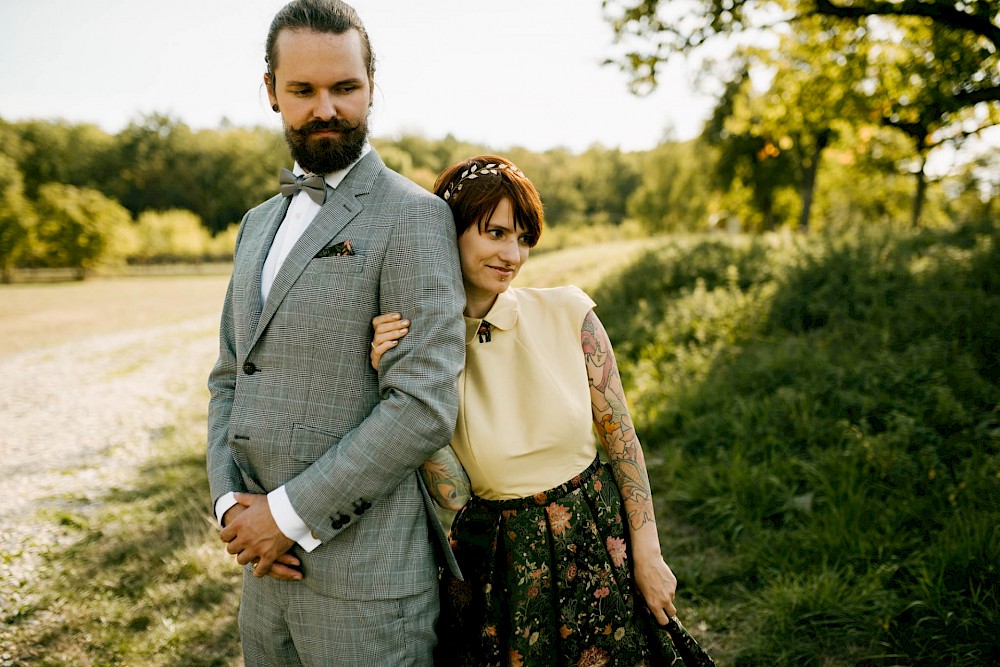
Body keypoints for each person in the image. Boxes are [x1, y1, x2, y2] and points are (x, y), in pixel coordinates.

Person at [370, 155, 717, 666]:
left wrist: (648, 553)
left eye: (524, 238)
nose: (512, 253)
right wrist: (395, 380)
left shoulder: (568, 314)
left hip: (594, 539)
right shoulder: (423, 348)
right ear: (450, 230)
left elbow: (621, 439)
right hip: (498, 562)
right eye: (495, 233)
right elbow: (453, 492)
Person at [205, 1, 465, 664]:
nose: (326, 108)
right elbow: (231, 376)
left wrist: (286, 517)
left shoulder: (413, 217)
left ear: (372, 85)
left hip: (368, 591)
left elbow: (421, 406)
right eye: (303, 90)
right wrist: (231, 505)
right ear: (271, 92)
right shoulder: (256, 223)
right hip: (263, 581)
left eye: (345, 87)